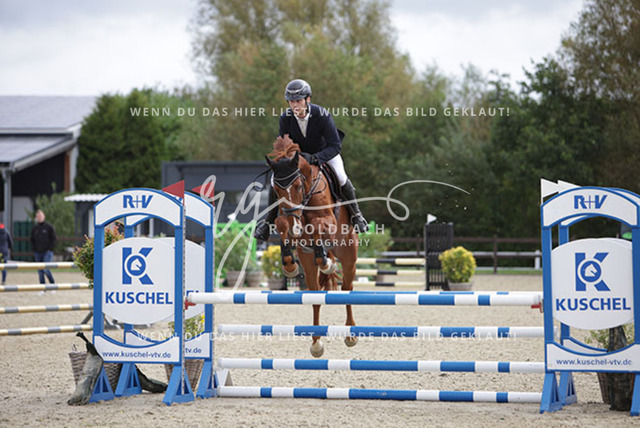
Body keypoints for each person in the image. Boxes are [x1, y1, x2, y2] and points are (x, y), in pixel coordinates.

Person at [254, 79, 368, 241]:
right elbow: (285, 144)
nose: (295, 105)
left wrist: (316, 158)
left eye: (298, 101)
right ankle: (267, 222)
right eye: (291, 101)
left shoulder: (322, 115)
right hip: (299, 158)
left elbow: (335, 146)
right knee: (275, 180)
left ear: (307, 99)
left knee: (341, 176)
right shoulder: (285, 118)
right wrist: (286, 160)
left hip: (325, 153)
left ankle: (357, 215)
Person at [30, 210, 56, 284]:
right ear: (36, 217)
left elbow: (54, 238)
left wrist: (50, 249)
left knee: (45, 269)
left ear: (44, 216)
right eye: (38, 216)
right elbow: (32, 240)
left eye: (41, 216)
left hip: (47, 252)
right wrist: (34, 249)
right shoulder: (35, 229)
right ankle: (42, 286)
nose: (39, 217)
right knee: (40, 271)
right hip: (38, 252)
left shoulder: (49, 227)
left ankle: (52, 283)